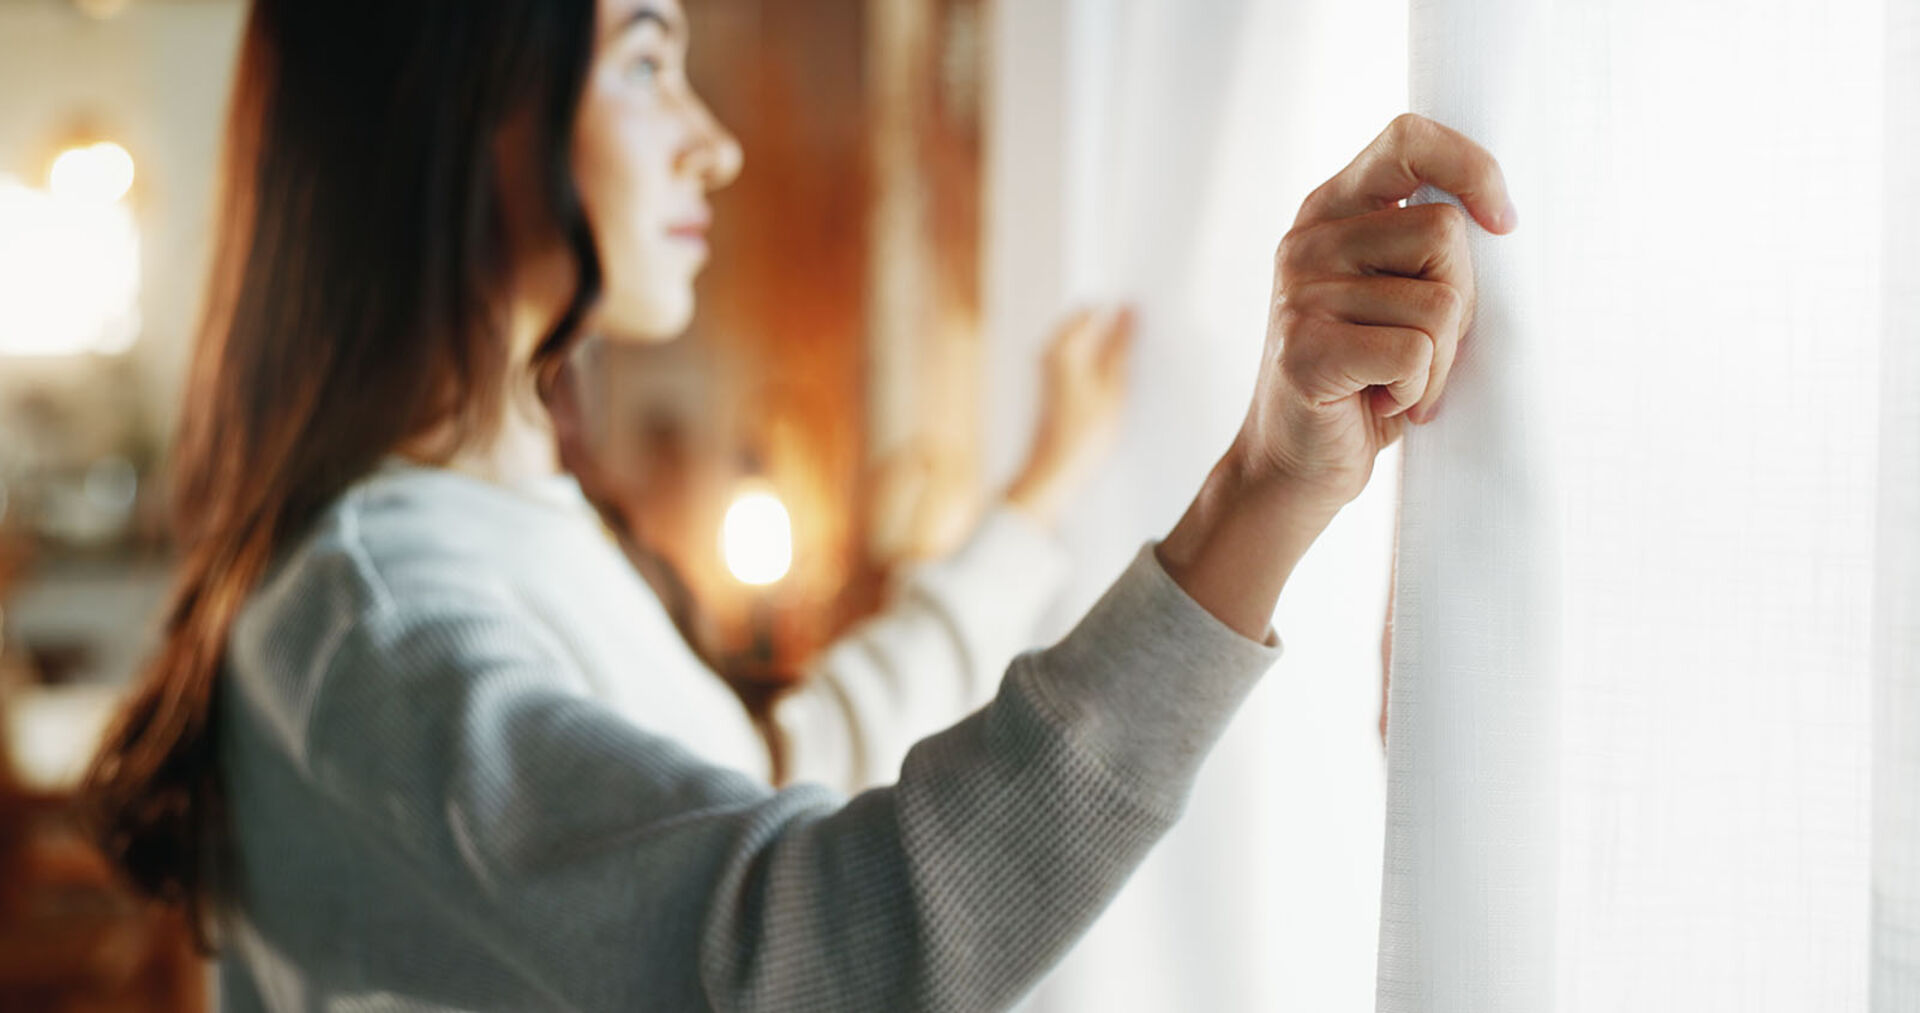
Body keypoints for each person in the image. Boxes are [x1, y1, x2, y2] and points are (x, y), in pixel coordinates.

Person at [77, 0, 1516, 1009]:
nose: (715, 141)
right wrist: (1261, 490)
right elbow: (805, 958)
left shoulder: (497, 527)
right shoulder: (370, 624)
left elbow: (776, 764)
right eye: (646, 61)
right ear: (458, 102)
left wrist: (1036, 497)